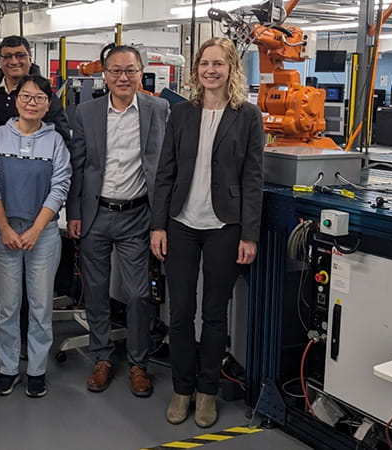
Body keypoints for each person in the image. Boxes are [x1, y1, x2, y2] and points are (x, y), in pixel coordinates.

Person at [150, 37, 264, 428]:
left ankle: (206, 393)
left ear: (231, 68)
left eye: (219, 64)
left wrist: (249, 235)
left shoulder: (247, 115)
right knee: (180, 313)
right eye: (204, 63)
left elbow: (253, 179)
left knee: (214, 315)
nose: (210, 70)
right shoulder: (181, 113)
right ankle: (182, 389)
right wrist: (158, 225)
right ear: (196, 69)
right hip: (182, 223)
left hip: (224, 227)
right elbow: (165, 173)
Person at [66, 45, 169, 397]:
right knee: (95, 291)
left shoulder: (158, 109)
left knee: (140, 294)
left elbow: (164, 165)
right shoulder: (87, 112)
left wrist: (161, 220)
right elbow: (78, 165)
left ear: (141, 73)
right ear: (104, 75)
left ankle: (140, 363)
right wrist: (74, 213)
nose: (122, 78)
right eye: (115, 71)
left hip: (138, 215)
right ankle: (102, 357)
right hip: (96, 214)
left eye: (130, 70)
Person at [0, 34, 71, 355]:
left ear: (29, 57)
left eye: (20, 55)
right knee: (3, 281)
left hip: (37, 204)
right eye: (7, 56)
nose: (14, 61)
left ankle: (30, 341)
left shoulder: (46, 96)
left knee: (38, 289)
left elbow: (62, 151)